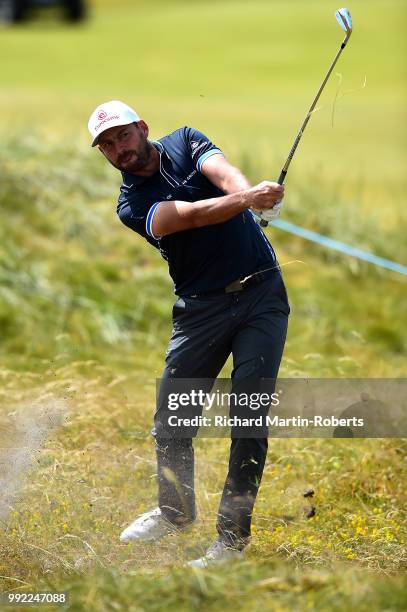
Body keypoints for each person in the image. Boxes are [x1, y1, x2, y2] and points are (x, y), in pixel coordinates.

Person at [87, 100, 290, 567]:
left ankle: (232, 542)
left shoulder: (184, 139)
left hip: (262, 295)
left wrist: (257, 194)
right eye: (107, 145)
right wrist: (248, 200)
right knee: (171, 419)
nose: (119, 149)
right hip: (200, 310)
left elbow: (223, 173)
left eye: (122, 135)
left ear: (142, 127)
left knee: (248, 418)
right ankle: (174, 513)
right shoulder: (131, 206)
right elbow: (195, 214)